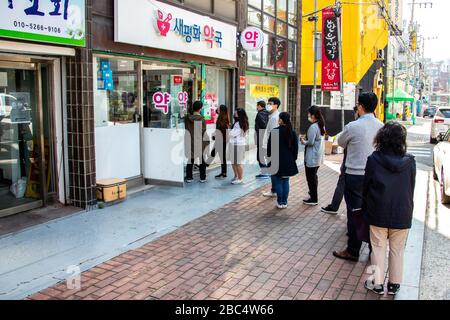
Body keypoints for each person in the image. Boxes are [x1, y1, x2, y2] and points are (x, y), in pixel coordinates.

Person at [363, 122, 416, 295]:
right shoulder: (410, 162)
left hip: (378, 209)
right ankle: (394, 285)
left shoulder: (373, 159)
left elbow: (367, 186)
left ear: (382, 138)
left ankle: (377, 284)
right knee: (397, 249)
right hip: (402, 211)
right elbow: (411, 187)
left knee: (378, 247)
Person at [333, 92, 384, 262]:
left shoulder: (353, 126)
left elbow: (339, 142)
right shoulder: (381, 126)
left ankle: (353, 250)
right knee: (373, 212)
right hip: (375, 176)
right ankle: (372, 249)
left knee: (354, 212)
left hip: (354, 175)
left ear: (360, 106)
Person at [321, 106, 360, 215]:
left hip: (351, 163)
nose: (354, 114)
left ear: (359, 110)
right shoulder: (378, 125)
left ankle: (334, 207)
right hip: (368, 165)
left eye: (355, 112)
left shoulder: (353, 126)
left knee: (343, 185)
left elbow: (341, 142)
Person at [267, 112, 299, 209]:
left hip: (276, 160)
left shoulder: (275, 131)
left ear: (281, 120)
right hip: (288, 161)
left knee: (278, 181)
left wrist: (269, 158)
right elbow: (296, 148)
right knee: (285, 181)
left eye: (279, 118)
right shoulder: (292, 132)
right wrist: (293, 158)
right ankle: (284, 202)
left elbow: (270, 148)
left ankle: (279, 201)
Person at [300, 105, 326, 206]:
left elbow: (310, 142)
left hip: (312, 156)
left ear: (313, 115)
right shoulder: (321, 125)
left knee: (310, 178)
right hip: (318, 156)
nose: (308, 115)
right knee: (314, 177)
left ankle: (313, 199)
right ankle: (313, 195)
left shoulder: (313, 127)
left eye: (309, 114)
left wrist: (303, 141)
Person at [185, 100, 209, 183]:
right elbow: (203, 131)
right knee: (202, 159)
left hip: (189, 141)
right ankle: (202, 177)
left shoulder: (187, 118)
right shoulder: (201, 119)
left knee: (190, 159)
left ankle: (189, 177)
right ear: (200, 109)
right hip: (199, 141)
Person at [262, 97, 281, 197]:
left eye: (270, 103)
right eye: (267, 103)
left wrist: (268, 149)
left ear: (276, 105)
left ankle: (274, 190)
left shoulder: (274, 118)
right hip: (272, 146)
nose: (268, 105)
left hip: (272, 147)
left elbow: (273, 135)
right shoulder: (273, 116)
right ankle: (274, 189)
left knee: (273, 170)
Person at [229, 108, 249, 185]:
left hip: (238, 145)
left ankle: (240, 178)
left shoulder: (240, 124)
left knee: (237, 162)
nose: (234, 114)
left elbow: (232, 134)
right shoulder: (239, 123)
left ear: (240, 114)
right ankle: (236, 176)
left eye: (236, 113)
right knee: (234, 162)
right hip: (235, 144)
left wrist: (229, 130)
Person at [255, 100, 270, 179]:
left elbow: (263, 125)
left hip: (261, 137)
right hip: (266, 137)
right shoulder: (268, 113)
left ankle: (264, 172)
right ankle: (266, 171)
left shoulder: (260, 114)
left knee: (260, 155)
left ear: (260, 106)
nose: (256, 107)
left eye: (257, 106)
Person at [214, 105, 230, 179]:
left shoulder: (223, 119)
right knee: (221, 156)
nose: (217, 109)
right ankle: (224, 172)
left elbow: (222, 130)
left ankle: (224, 172)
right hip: (221, 139)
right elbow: (216, 111)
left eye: (219, 108)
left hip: (222, 140)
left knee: (220, 156)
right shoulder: (222, 117)